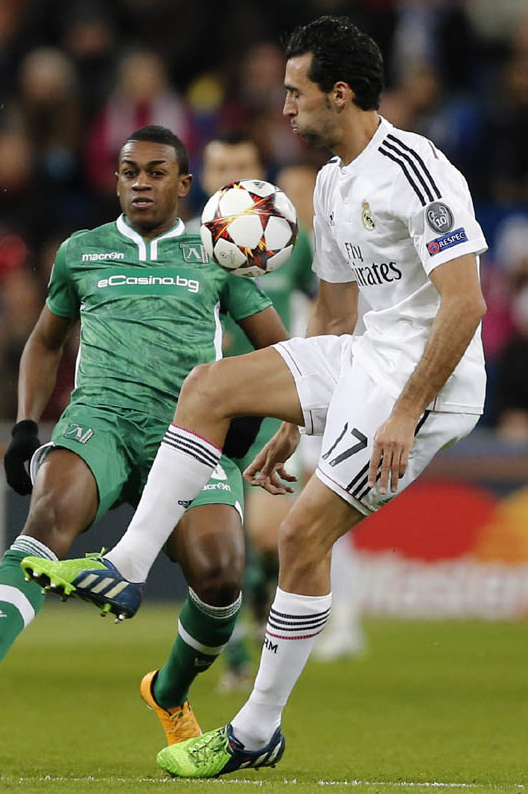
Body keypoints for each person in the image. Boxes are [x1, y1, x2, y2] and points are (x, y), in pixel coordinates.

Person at [39, 16, 488, 776]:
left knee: (301, 537)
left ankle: (255, 727)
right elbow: (339, 318)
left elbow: (466, 304)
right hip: (366, 355)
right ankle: (128, 560)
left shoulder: (416, 169)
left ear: (337, 93)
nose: (284, 107)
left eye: (295, 91)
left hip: (431, 382)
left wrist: (407, 411)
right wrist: (293, 412)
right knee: (211, 384)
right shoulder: (336, 183)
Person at [0, 125, 289, 745]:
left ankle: (167, 693)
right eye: (129, 172)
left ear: (185, 183)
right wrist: (23, 427)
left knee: (222, 572)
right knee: (49, 514)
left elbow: (281, 351)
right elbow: (43, 341)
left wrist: (247, 406)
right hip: (102, 420)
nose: (141, 183)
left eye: (156, 172)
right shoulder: (81, 251)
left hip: (191, 428)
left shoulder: (215, 253)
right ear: (115, 180)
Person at [199, 133, 317, 693]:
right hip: (210, 400)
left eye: (241, 165)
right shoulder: (184, 245)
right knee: (231, 535)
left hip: (271, 397)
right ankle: (239, 656)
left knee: (269, 536)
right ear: (202, 175)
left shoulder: (290, 239)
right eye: (220, 165)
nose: (230, 174)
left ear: (258, 173)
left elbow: (330, 305)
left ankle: (264, 618)